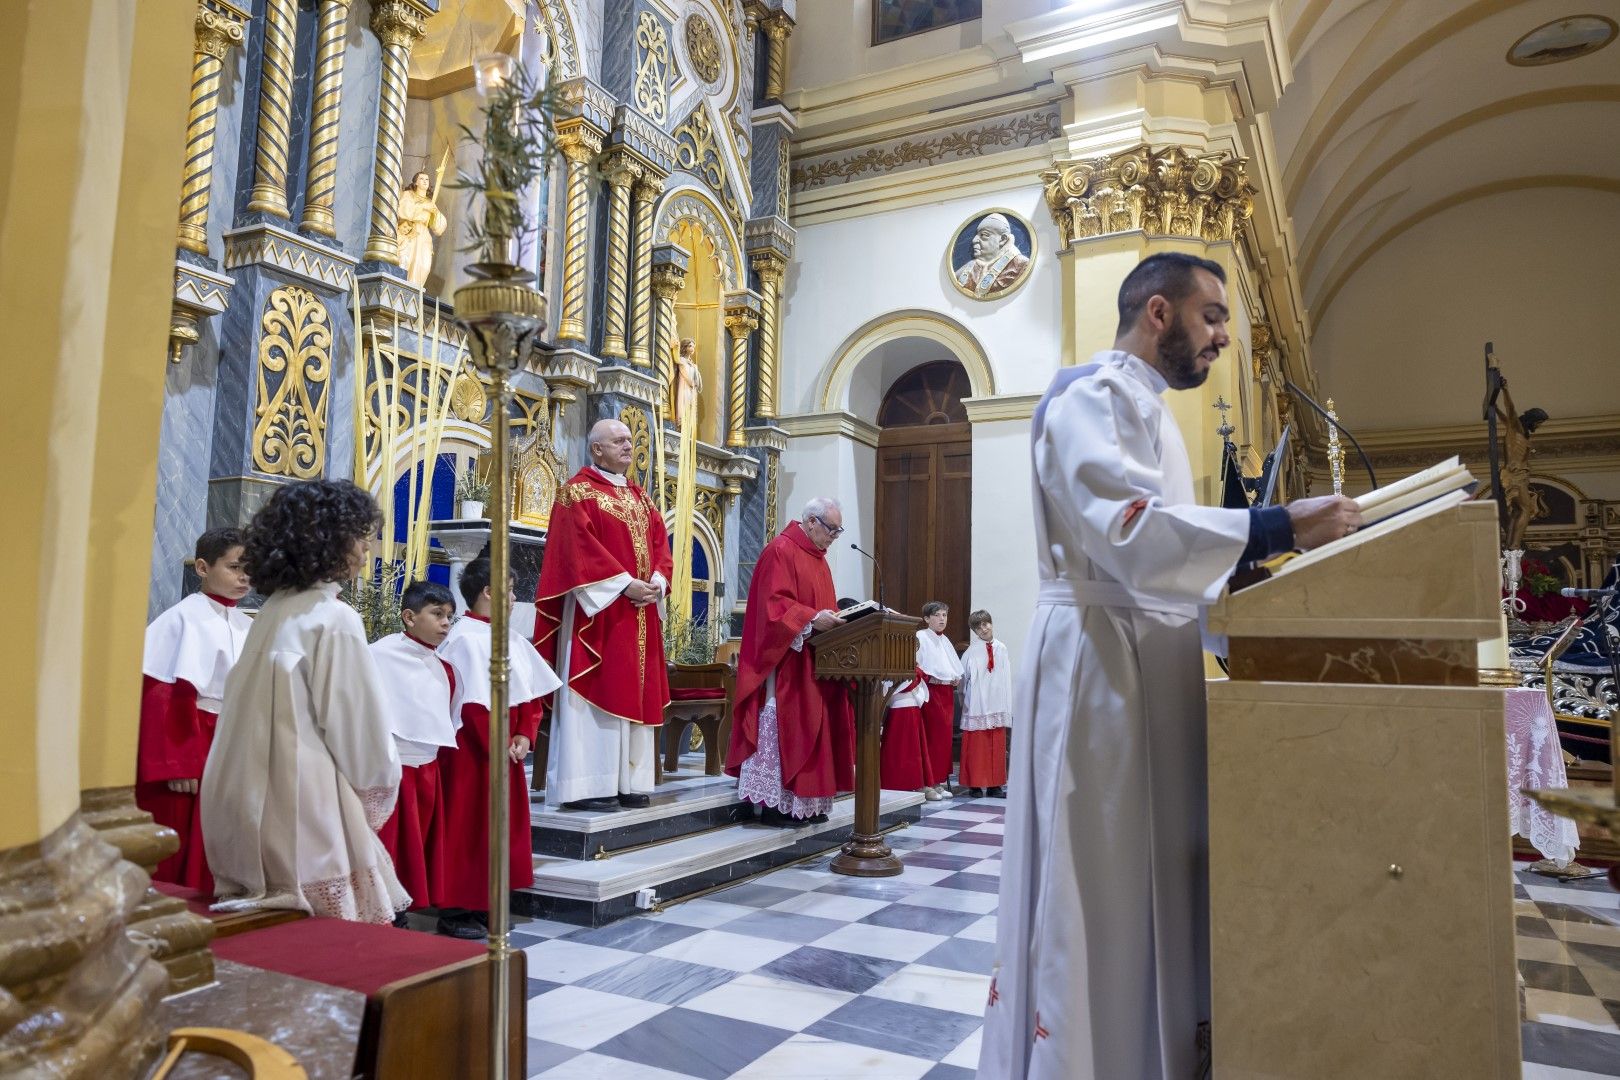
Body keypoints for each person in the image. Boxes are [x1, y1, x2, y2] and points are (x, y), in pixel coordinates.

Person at [978, 252, 1362, 1080]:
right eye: (1212, 316)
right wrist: (1272, 528)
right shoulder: (1094, 396)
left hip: (1146, 657)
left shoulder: (1143, 407)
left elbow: (1166, 550)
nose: (1222, 337)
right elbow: (1128, 534)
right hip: (1100, 671)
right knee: (1103, 880)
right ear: (1159, 312)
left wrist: (1251, 569)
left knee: (1145, 874)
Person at [202, 480, 408, 924]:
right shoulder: (333, 618)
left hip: (244, 799)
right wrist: (376, 789)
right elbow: (359, 729)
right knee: (327, 941)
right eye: (361, 536)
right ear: (330, 539)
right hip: (308, 800)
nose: (367, 549)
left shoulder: (272, 611)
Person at [534, 418, 671, 812]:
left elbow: (662, 544)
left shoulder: (642, 498)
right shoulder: (576, 495)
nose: (628, 446)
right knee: (595, 692)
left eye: (630, 439)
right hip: (598, 616)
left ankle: (629, 781)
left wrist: (658, 583)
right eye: (619, 441)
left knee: (634, 690)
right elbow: (577, 551)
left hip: (640, 612)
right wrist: (624, 584)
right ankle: (587, 785)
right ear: (596, 449)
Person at [438, 555, 560, 939]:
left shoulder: (510, 638)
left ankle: (490, 902)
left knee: (499, 827)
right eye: (509, 591)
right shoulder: (462, 638)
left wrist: (524, 733)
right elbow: (470, 704)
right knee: (467, 828)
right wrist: (499, 743)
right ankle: (457, 910)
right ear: (489, 592)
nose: (512, 598)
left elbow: (529, 694)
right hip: (472, 753)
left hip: (505, 748)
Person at [725, 497, 855, 827]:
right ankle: (775, 805)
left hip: (814, 663)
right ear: (811, 521)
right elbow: (772, 608)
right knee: (785, 726)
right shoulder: (780, 551)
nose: (832, 537)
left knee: (813, 728)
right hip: (784, 663)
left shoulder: (819, 560)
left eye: (837, 531)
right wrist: (812, 619)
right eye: (831, 529)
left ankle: (806, 802)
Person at [136, 528, 252, 893]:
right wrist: (179, 761)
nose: (244, 576)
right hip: (191, 738)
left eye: (250, 567)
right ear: (203, 567)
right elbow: (159, 695)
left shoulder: (246, 624)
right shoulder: (181, 619)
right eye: (234, 567)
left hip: (228, 739)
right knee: (178, 836)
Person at [371, 580, 459, 928]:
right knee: (389, 843)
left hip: (427, 764)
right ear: (409, 616)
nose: (445, 624)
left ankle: (403, 906)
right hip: (390, 766)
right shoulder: (379, 653)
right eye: (437, 614)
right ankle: (382, 908)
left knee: (417, 843)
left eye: (450, 617)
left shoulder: (443, 663)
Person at [958, 609, 1010, 798]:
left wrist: (1005, 704)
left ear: (991, 623)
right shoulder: (971, 652)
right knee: (977, 748)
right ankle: (975, 785)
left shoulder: (1002, 648)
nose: (984, 628)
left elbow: (1005, 678)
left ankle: (995, 785)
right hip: (977, 705)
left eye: (986, 624)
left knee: (996, 746)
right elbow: (963, 681)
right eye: (978, 627)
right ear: (974, 631)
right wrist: (966, 703)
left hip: (996, 704)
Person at [916, 600, 963, 798]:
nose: (942, 619)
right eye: (938, 615)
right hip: (932, 693)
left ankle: (938, 781)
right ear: (927, 618)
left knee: (944, 739)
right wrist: (933, 677)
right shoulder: (921, 636)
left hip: (946, 694)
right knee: (932, 738)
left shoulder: (944, 639)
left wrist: (956, 678)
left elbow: (952, 665)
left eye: (944, 615)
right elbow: (919, 666)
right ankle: (928, 782)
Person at [878, 663, 934, 799]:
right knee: (898, 747)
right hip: (897, 706)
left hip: (912, 706)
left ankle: (919, 783)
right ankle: (896, 783)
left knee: (915, 748)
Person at [954, 212, 1030, 298]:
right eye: (976, 235)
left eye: (983, 235)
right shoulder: (968, 268)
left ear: (1002, 239)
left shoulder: (1021, 266)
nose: (974, 240)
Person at [396, 170, 447, 289]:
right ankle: (401, 288)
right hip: (410, 231)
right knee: (406, 261)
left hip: (424, 236)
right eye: (421, 179)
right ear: (416, 182)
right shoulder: (408, 194)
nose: (425, 181)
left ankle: (415, 291)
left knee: (424, 266)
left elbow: (438, 229)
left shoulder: (431, 202)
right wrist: (423, 206)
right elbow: (404, 211)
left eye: (427, 179)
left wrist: (435, 213)